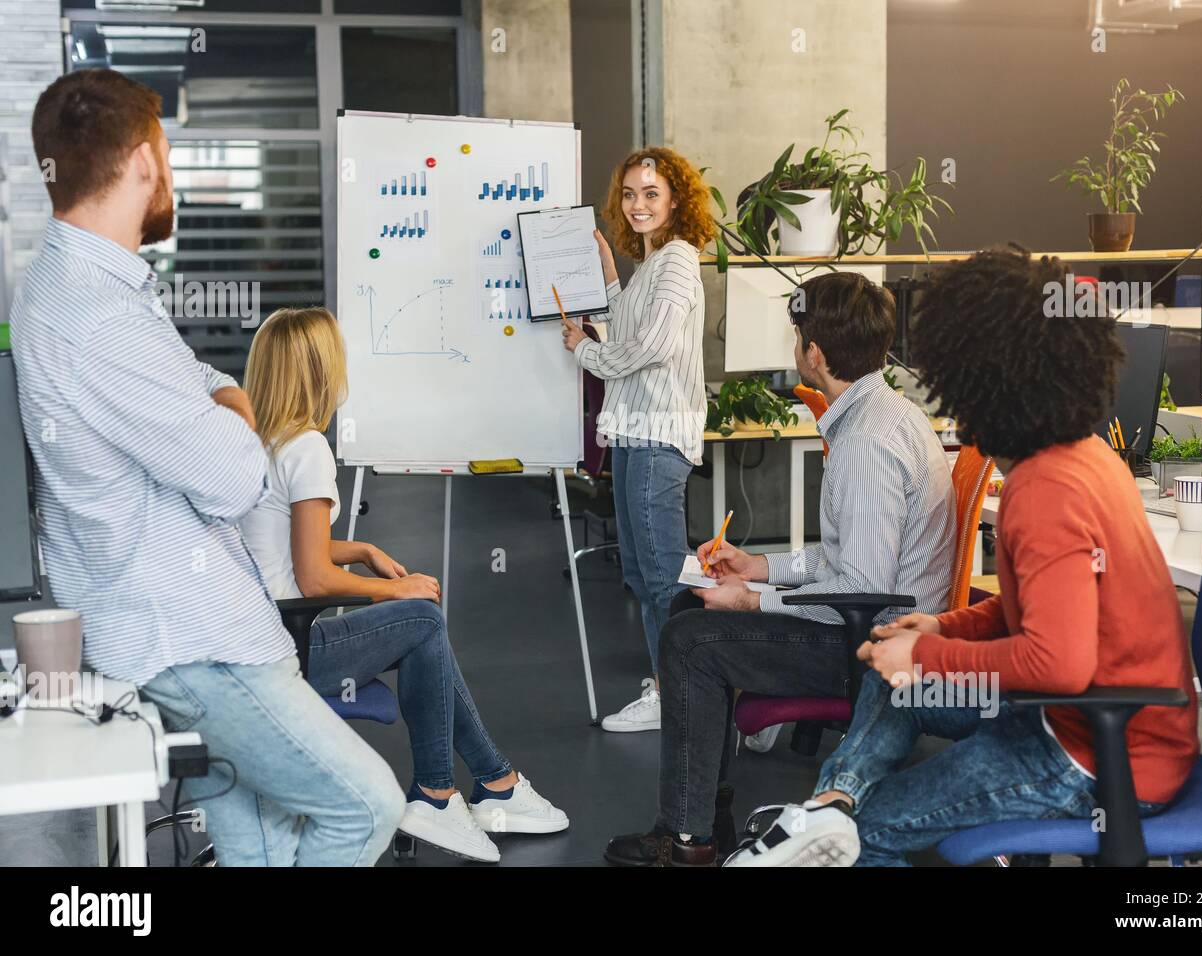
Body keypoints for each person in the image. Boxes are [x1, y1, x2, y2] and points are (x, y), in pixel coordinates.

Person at [9, 69, 404, 865]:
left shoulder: (69, 284)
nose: (173, 173)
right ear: (144, 160)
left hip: (165, 629)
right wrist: (227, 408)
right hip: (192, 638)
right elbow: (234, 477)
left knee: (257, 847)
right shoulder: (101, 317)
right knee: (364, 808)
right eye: (168, 152)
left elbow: (211, 385)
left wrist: (222, 399)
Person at [729, 248, 1200, 867]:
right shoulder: (1083, 454)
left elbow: (1058, 663)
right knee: (892, 676)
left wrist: (927, 654)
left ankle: (840, 825)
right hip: (1086, 720)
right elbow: (1029, 608)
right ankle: (829, 807)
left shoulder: (1043, 492)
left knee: (871, 830)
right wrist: (940, 629)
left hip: (1099, 756)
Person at [603, 271, 957, 866]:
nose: (795, 348)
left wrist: (751, 602)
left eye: (797, 337)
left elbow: (863, 589)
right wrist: (758, 567)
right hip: (868, 617)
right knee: (691, 608)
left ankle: (687, 839)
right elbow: (849, 558)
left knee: (690, 641)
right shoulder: (882, 411)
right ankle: (703, 815)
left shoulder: (867, 442)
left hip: (872, 641)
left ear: (814, 353)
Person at [239, 307, 569, 863]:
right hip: (288, 653)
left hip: (250, 644)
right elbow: (313, 574)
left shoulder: (260, 444)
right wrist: (398, 591)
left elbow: (283, 543)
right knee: (422, 620)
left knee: (423, 633)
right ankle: (449, 792)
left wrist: (365, 549)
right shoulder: (307, 449)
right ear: (321, 372)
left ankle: (492, 784)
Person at [560, 147, 715, 733]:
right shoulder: (654, 264)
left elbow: (650, 348)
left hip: (656, 434)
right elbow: (629, 321)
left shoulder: (677, 260)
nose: (638, 204)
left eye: (651, 193)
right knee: (642, 570)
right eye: (629, 194)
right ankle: (675, 683)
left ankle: (681, 693)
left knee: (660, 575)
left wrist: (587, 352)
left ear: (676, 200)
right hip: (634, 432)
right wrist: (605, 269)